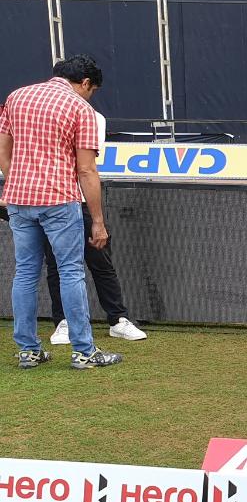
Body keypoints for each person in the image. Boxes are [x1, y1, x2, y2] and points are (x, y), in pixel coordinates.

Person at [0, 54, 123, 370]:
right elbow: (86, 170)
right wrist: (97, 221)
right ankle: (83, 351)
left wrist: (15, 183)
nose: (90, 95)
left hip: (19, 199)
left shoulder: (17, 97)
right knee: (71, 271)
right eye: (92, 89)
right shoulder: (81, 108)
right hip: (59, 198)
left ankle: (28, 350)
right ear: (85, 83)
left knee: (25, 271)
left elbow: (3, 150)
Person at [45, 109, 147, 345]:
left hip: (80, 199)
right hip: (52, 201)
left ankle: (118, 319)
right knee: (55, 264)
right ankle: (64, 322)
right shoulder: (41, 110)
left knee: (101, 261)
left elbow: (87, 166)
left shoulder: (93, 117)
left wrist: (97, 219)